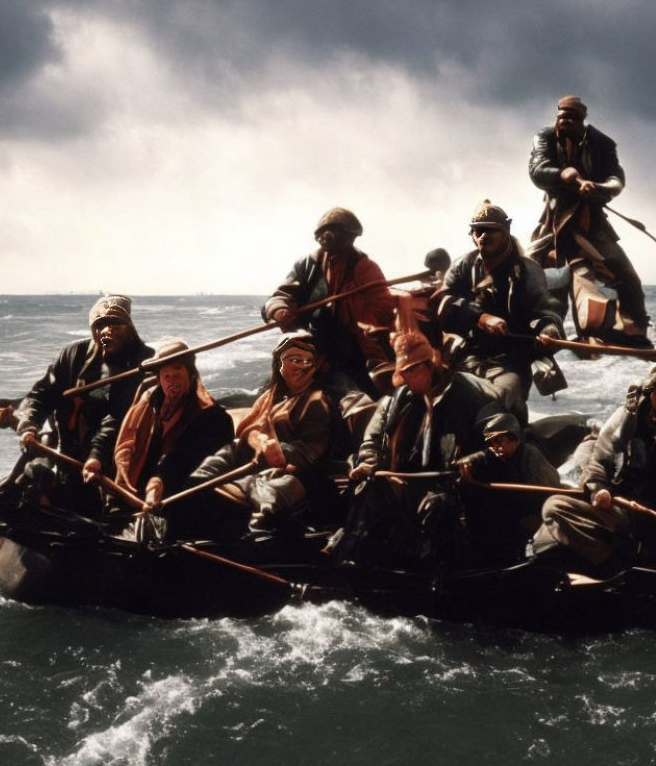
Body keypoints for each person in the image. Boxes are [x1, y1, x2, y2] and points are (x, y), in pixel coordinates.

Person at [332, 328, 505, 569]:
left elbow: (499, 446)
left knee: (437, 508)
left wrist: (472, 462)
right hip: (404, 482)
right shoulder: (398, 400)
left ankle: (437, 579)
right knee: (366, 491)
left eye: (409, 372)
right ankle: (348, 562)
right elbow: (373, 437)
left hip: (454, 487)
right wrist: (369, 462)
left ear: (427, 366)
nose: (404, 379)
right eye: (402, 373)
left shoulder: (473, 398)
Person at [529, 363, 656, 573]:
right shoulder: (626, 419)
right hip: (617, 507)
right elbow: (600, 461)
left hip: (654, 517)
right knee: (553, 508)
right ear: (649, 391)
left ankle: (623, 557)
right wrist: (599, 489)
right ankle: (611, 563)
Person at [9, 295, 155, 516]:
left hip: (112, 458)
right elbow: (42, 394)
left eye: (114, 323)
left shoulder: (142, 362)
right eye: (100, 325)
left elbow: (119, 418)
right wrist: (28, 424)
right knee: (30, 485)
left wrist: (96, 456)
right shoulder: (73, 355)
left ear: (129, 326)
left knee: (108, 512)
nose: (106, 330)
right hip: (66, 452)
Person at [185, 331, 337, 538]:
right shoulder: (272, 396)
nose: (299, 366)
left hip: (300, 472)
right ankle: (197, 486)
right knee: (228, 453)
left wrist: (277, 451)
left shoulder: (317, 401)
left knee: (269, 496)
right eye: (292, 359)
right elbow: (249, 428)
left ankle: (257, 537)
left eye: (306, 361)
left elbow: (310, 451)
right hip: (260, 458)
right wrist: (259, 442)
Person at [527, 95, 650, 346]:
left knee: (626, 275)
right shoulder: (545, 137)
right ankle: (531, 326)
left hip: (590, 222)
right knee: (529, 269)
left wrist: (601, 188)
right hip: (555, 220)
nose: (566, 122)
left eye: (572, 119)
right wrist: (564, 175)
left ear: (582, 121)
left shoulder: (602, 143)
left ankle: (635, 333)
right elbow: (538, 170)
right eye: (562, 118)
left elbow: (617, 178)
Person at [437, 200, 564, 423]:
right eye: (478, 230)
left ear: (506, 231)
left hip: (512, 360)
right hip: (467, 356)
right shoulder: (462, 266)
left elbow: (546, 310)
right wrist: (480, 317)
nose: (483, 236)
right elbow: (443, 303)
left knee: (506, 397)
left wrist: (550, 330)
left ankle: (516, 445)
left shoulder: (528, 271)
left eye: (491, 230)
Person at [261, 207, 396, 399]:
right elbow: (281, 294)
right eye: (324, 232)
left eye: (335, 232)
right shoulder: (307, 265)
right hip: (312, 341)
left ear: (351, 237)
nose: (327, 236)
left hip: (353, 346)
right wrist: (279, 309)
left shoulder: (365, 268)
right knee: (281, 386)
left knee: (358, 393)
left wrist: (351, 315)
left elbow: (383, 307)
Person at [109, 340, 233, 510]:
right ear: (159, 379)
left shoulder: (211, 416)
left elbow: (184, 459)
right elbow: (128, 441)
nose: (172, 382)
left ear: (190, 375)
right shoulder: (150, 402)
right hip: (142, 490)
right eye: (166, 376)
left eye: (177, 375)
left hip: (183, 495)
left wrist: (158, 482)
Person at [456, 411, 563, 565]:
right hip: (507, 514)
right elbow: (481, 457)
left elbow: (549, 489)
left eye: (499, 441)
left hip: (533, 515)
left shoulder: (530, 455)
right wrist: (467, 463)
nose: (494, 447)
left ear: (514, 438)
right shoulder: (496, 454)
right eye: (491, 443)